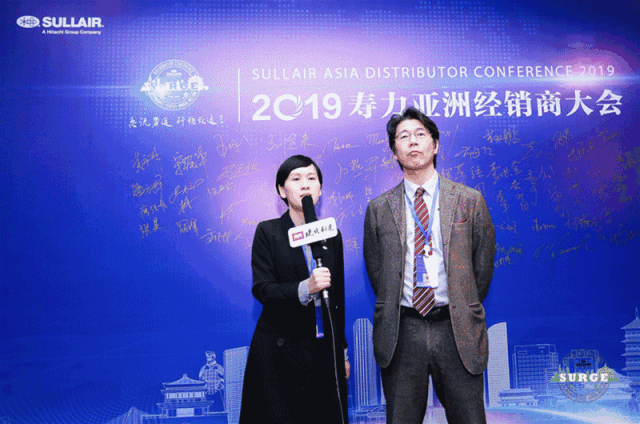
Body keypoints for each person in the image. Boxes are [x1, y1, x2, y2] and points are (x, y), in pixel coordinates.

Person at [363, 107, 496, 424]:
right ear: (394, 151)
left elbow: (482, 267)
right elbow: (378, 271)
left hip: (456, 327)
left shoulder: (469, 200)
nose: (413, 141)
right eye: (403, 136)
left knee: (469, 418)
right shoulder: (379, 209)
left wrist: (462, 302)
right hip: (402, 329)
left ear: (435, 145)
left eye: (420, 134)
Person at [239, 155, 350, 424]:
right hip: (280, 351)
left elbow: (337, 298)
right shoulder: (269, 232)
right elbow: (263, 289)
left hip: (323, 352)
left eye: (312, 178)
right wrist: (305, 288)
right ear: (282, 190)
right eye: (296, 179)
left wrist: (342, 351)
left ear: (320, 189)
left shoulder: (332, 235)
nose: (305, 185)